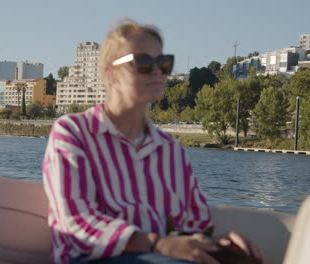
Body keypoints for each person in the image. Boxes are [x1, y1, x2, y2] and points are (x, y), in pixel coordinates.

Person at [42, 18, 262, 264]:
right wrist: (160, 244)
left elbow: (193, 222)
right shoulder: (73, 132)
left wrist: (215, 244)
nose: (158, 71)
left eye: (164, 62)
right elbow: (78, 223)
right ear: (110, 73)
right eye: (143, 62)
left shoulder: (170, 150)